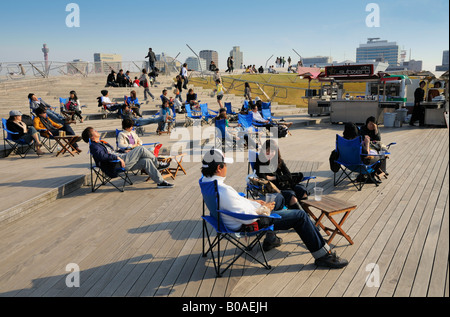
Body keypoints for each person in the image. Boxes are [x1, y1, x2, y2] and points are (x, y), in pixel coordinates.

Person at [200, 148, 348, 268]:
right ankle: (323, 255)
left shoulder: (206, 182)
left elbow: (235, 202)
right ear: (219, 168)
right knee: (300, 217)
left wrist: (255, 201)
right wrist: (265, 210)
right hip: (251, 222)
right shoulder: (223, 190)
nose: (227, 168)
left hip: (232, 217)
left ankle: (271, 238)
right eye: (225, 165)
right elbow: (245, 217)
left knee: (278, 197)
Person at [82, 127, 174, 188]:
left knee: (146, 161)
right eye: (94, 131)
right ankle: (157, 164)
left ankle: (160, 182)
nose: (97, 131)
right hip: (116, 164)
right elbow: (102, 156)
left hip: (123, 158)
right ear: (92, 137)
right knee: (140, 149)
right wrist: (117, 157)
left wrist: (123, 151)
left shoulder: (101, 143)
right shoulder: (94, 146)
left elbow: (113, 152)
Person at [254, 139, 308, 210]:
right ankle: (300, 216)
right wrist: (281, 177)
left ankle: (306, 213)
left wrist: (274, 177)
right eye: (267, 151)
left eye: (272, 151)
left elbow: (288, 175)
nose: (270, 154)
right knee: (291, 196)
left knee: (302, 190)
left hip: (286, 184)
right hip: (274, 190)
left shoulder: (278, 161)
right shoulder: (259, 163)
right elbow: (264, 178)